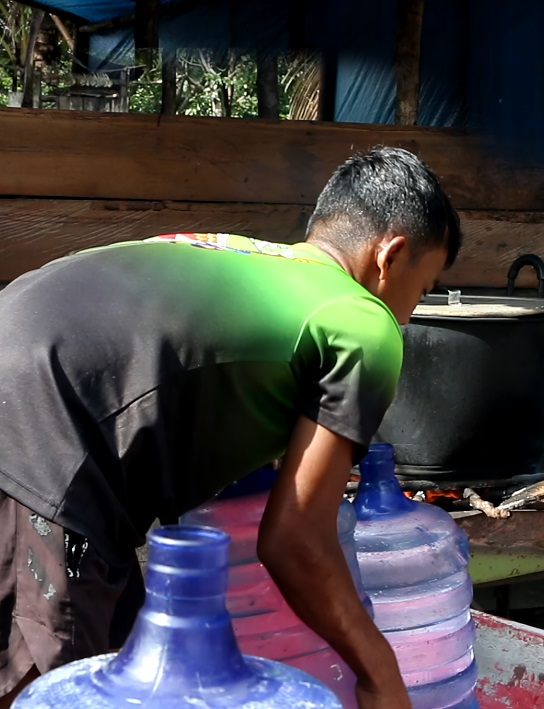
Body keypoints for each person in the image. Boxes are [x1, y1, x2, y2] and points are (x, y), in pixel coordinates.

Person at [0, 146, 460, 709]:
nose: (410, 315)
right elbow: (296, 541)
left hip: (45, 414)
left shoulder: (238, 254)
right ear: (391, 255)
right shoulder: (363, 320)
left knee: (128, 671)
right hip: (39, 439)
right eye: (425, 287)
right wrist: (378, 671)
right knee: (53, 691)